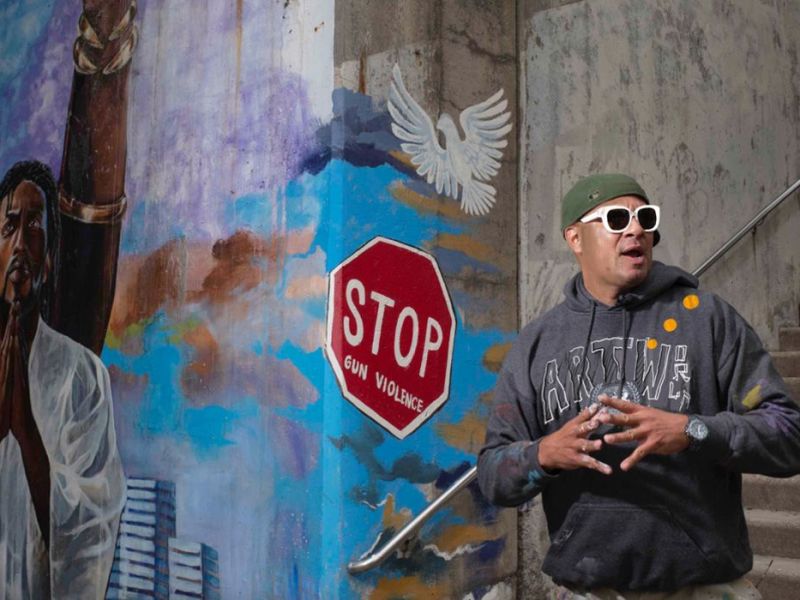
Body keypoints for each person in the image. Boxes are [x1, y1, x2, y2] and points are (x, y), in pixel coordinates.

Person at [477, 173, 800, 599]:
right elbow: (492, 474)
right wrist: (544, 454)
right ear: (575, 238)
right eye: (616, 219)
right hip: (591, 590)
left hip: (703, 588)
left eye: (645, 218)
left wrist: (693, 430)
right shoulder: (538, 343)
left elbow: (788, 436)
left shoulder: (707, 319)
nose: (635, 230)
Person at [0, 161, 125, 598]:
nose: (20, 243)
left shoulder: (83, 376)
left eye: (34, 227)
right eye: (9, 227)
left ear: (50, 259)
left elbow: (92, 532)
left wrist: (26, 432)